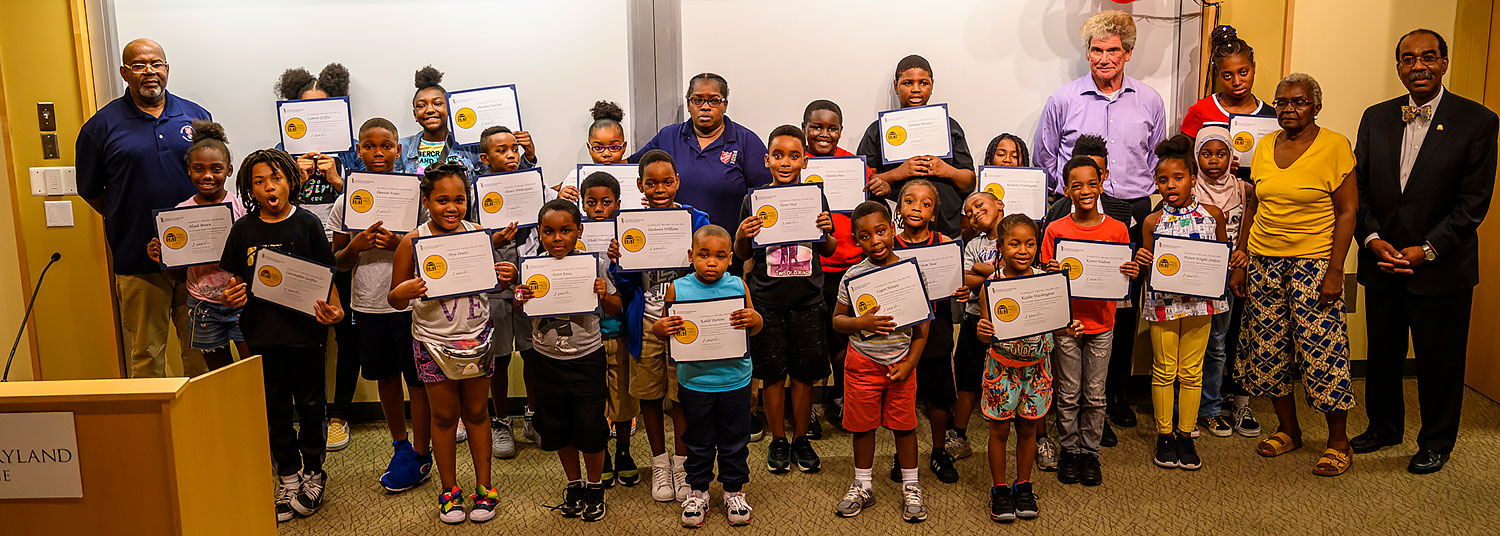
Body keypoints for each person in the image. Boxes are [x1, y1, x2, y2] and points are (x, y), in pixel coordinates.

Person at [1352, 29, 1498, 474]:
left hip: (1441, 266)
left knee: (1440, 360)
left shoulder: (1477, 120)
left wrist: (1426, 249)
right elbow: (1359, 189)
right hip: (1382, 260)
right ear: (1398, 66)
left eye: (1429, 57)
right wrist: (1374, 239)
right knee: (1383, 353)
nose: (1418, 66)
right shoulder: (1376, 117)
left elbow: (1473, 204)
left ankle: (1436, 440)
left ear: (1444, 63)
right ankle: (1383, 427)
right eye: (1408, 58)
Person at [1035, 11, 1167, 429]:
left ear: (1128, 53)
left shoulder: (1150, 100)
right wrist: (1070, 194)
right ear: (1086, 53)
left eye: (1113, 50)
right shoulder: (1063, 99)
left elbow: (1154, 160)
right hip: (1077, 207)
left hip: (1131, 210)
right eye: (1096, 50)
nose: (1104, 58)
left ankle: (1115, 395)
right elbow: (1045, 156)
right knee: (1077, 299)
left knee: (1123, 306)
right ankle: (1072, 399)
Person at [1230, 73, 1359, 477]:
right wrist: (1242, 254)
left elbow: (1347, 212)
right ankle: (1290, 430)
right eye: (1282, 102)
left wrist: (1336, 271)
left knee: (1324, 354)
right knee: (1268, 350)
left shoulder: (1335, 146)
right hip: (1264, 262)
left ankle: (1339, 441)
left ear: (1316, 107)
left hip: (1313, 264)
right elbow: (1253, 204)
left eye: (1299, 102)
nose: (1289, 109)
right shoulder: (1266, 145)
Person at [217, 149, 344, 522]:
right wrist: (230, 295)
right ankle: (288, 477)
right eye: (259, 181)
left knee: (310, 407)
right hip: (261, 336)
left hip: (305, 335)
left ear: (292, 181)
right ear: (249, 189)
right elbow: (234, 283)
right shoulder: (243, 230)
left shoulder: (306, 224)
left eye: (276, 178)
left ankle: (313, 473)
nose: (270, 187)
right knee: (274, 411)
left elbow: (327, 274)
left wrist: (334, 312)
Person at [77, 38, 211, 379]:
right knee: (147, 356)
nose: (149, 72)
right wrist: (131, 218)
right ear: (124, 72)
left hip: (199, 261)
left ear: (167, 69)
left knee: (203, 354)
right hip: (138, 262)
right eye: (138, 65)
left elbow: (214, 175)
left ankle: (202, 431)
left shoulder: (197, 115)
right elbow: (91, 192)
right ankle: (156, 433)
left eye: (156, 64)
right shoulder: (99, 127)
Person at [387, 163, 503, 524]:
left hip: (478, 338)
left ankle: (485, 488)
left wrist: (504, 276)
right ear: (426, 200)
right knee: (443, 417)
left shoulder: (479, 234)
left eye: (459, 199)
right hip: (432, 341)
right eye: (441, 200)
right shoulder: (412, 241)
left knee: (478, 413)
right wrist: (402, 292)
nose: (451, 208)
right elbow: (394, 298)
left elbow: (491, 283)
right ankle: (449, 491)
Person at [326, 118, 433, 493]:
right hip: (368, 304)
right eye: (369, 146)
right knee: (385, 376)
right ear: (358, 151)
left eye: (386, 145)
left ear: (398, 150)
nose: (378, 153)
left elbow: (432, 253)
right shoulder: (345, 200)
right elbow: (338, 261)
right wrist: (356, 246)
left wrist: (397, 245)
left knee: (417, 381)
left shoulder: (415, 195)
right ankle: (400, 444)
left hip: (408, 306)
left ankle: (422, 451)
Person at [733, 125, 835, 475]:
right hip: (767, 300)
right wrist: (742, 234)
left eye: (794, 155)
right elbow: (741, 252)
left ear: (805, 160)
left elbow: (830, 248)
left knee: (804, 375)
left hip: (807, 299)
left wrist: (826, 230)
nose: (786, 162)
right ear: (767, 160)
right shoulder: (754, 199)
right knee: (773, 375)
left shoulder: (815, 197)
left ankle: (801, 437)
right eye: (778, 155)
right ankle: (778, 438)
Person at [272, 63, 362, 452]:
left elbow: (369, 201)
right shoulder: (279, 155)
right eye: (305, 110)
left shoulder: (353, 153)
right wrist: (297, 176)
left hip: (341, 251)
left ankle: (340, 415)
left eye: (322, 109)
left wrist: (340, 181)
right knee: (309, 337)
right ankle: (315, 413)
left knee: (347, 335)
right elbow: (269, 205)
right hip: (300, 253)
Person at [654, 225, 765, 527]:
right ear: (691, 256)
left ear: (730, 258)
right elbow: (661, 327)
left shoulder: (739, 286)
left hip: (735, 379)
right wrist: (661, 328)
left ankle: (733, 490)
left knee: (734, 440)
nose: (711, 262)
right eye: (704, 255)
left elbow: (755, 325)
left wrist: (754, 319)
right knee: (698, 440)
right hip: (695, 382)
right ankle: (697, 491)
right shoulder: (679, 288)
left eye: (719, 256)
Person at [1040, 134, 1149, 439]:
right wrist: (1050, 272)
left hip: (1102, 321)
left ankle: (1090, 450)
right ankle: (1070, 449)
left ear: (1101, 182)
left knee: (1095, 394)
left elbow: (1123, 269)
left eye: (1092, 183)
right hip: (1067, 324)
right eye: (1077, 185)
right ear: (1066, 190)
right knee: (1069, 393)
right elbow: (1046, 279)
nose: (1085, 191)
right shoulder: (1055, 227)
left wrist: (1130, 269)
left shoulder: (1117, 225)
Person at [975, 214, 1081, 523]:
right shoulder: (992, 286)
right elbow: (987, 332)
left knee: (1028, 428)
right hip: (1002, 371)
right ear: (1001, 247)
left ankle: (1023, 485)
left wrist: (1070, 328)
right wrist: (983, 332)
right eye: (1015, 243)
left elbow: (1057, 326)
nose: (1023, 250)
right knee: (999, 430)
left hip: (1037, 371)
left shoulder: (1048, 282)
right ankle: (999, 489)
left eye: (1030, 243)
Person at [620, 150, 712, 502]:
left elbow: (709, 263)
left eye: (667, 181)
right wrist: (619, 261)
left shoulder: (695, 218)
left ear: (678, 182)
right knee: (648, 393)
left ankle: (681, 462)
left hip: (683, 319)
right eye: (652, 182)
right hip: (645, 322)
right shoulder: (629, 222)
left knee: (681, 396)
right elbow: (626, 285)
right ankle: (659, 463)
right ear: (641, 185)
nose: (660, 188)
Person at [1134, 135, 1230, 471]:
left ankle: (1186, 434)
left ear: (1193, 179)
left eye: (1178, 178)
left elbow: (1221, 258)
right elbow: (1147, 266)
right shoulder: (1151, 221)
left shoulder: (1213, 215)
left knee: (1191, 372)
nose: (1171, 185)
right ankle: (1164, 434)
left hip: (1200, 305)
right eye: (1163, 180)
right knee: (1163, 370)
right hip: (1163, 304)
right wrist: (1143, 258)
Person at [832, 201, 932, 523]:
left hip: (902, 363)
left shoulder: (911, 272)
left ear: (893, 229)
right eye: (865, 236)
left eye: (881, 231)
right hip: (862, 362)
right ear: (856, 240)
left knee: (905, 426)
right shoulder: (852, 276)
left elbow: (922, 329)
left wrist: (910, 365)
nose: (875, 241)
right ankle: (863, 485)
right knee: (862, 427)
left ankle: (911, 485)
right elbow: (837, 321)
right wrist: (860, 324)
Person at [144, 120, 248, 371]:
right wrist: (162, 257)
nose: (208, 176)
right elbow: (178, 275)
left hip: (242, 302)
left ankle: (258, 411)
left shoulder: (242, 208)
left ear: (230, 170)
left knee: (252, 369)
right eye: (199, 169)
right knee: (218, 373)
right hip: (202, 306)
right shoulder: (179, 214)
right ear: (189, 170)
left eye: (216, 168)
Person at [892, 180, 968, 485]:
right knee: (903, 400)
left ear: (934, 213)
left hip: (936, 333)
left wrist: (960, 289)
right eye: (910, 201)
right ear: (899, 209)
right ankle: (902, 455)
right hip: (899, 337)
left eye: (925, 204)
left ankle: (939, 452)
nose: (916, 207)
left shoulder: (945, 244)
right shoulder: (891, 245)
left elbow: (956, 284)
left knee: (938, 401)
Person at [630, 73, 771, 231]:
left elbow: (767, 193)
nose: (705, 106)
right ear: (689, 104)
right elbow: (626, 170)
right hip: (674, 245)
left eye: (714, 100)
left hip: (728, 249)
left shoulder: (745, 141)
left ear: (725, 105)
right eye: (697, 100)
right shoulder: (668, 137)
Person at [856, 55, 977, 237]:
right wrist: (899, 173)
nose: (915, 89)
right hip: (896, 233)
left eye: (923, 83)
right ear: (896, 86)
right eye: (907, 83)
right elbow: (863, 183)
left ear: (932, 85)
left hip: (945, 229)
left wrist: (945, 170)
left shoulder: (950, 126)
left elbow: (969, 181)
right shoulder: (878, 130)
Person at [804, 99, 869, 435]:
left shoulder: (854, 166)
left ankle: (842, 398)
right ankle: (812, 405)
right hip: (811, 271)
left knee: (845, 344)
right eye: (816, 127)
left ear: (841, 131)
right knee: (816, 343)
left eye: (832, 128)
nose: (824, 133)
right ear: (804, 129)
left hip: (851, 270)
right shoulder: (795, 165)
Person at [1191, 126, 1261, 439]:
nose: (1214, 160)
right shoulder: (1190, 188)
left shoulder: (1243, 190)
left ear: (1231, 156)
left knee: (1218, 343)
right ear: (1196, 156)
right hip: (1194, 276)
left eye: (1221, 154)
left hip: (1226, 275)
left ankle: (1211, 408)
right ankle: (1186, 409)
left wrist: (1241, 259)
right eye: (1207, 154)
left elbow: (1246, 226)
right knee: (1191, 341)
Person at [578, 172, 641, 487]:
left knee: (622, 398)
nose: (598, 208)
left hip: (617, 329)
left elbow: (626, 292)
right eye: (591, 202)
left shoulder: (627, 237)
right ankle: (600, 453)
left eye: (606, 202)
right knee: (596, 400)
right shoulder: (573, 238)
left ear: (618, 203)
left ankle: (624, 451)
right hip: (588, 336)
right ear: (582, 204)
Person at [402, 66, 538, 176]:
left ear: (449, 108)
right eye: (421, 105)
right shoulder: (401, 149)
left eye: (437, 103)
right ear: (415, 114)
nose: (430, 110)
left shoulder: (472, 149)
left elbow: (503, 182)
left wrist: (528, 157)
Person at [955, 192, 1004, 463]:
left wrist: (982, 270)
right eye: (969, 213)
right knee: (967, 375)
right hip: (975, 316)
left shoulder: (1017, 232)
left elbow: (1023, 268)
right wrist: (989, 271)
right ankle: (959, 435)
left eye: (979, 205)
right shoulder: (974, 244)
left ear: (999, 204)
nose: (974, 213)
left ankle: (1040, 439)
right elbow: (964, 278)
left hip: (1011, 321)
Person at [1179, 26, 1275, 138]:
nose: (1237, 82)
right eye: (1228, 76)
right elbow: (1182, 153)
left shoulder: (1271, 116)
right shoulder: (1201, 111)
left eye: (1243, 73)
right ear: (1218, 74)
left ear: (1254, 67)